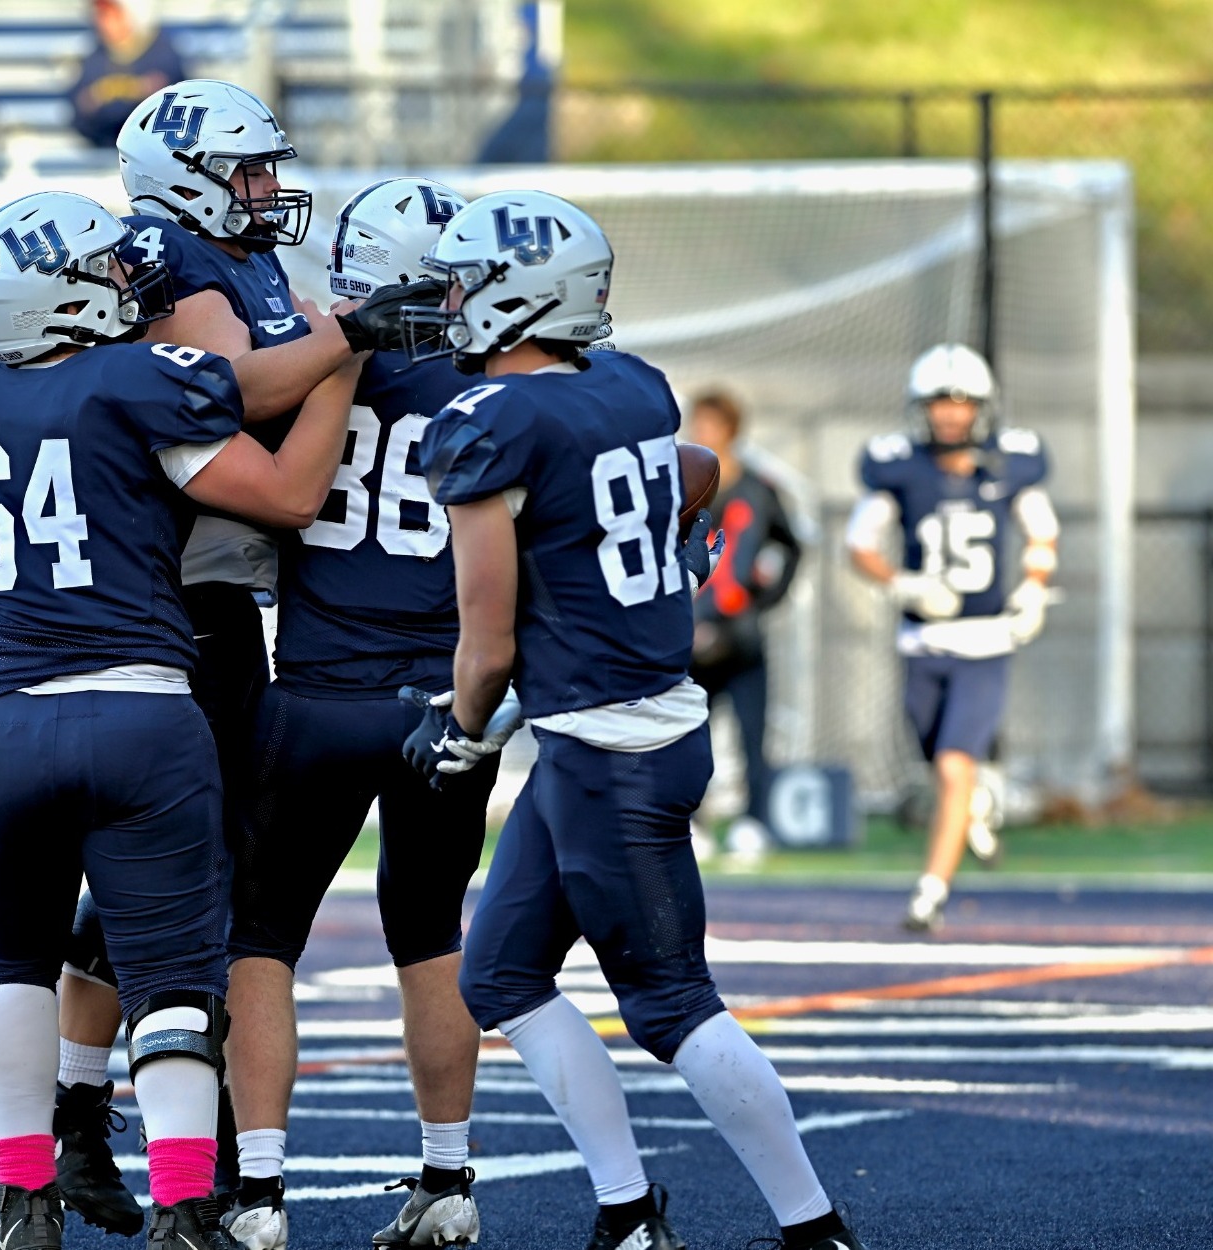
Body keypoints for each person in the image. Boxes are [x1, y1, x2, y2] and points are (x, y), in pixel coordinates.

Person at [404, 188, 868, 1250]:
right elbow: (695, 471)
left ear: (516, 299)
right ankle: (626, 1210)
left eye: (467, 283)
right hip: (603, 735)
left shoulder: (487, 422)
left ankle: (815, 1226)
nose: (453, 301)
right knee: (501, 974)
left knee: (670, 1002)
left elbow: (487, 642)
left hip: (614, 745)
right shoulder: (625, 384)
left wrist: (466, 730)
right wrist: (680, 534)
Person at [0, 190, 364, 1250]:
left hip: (2, 720)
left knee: (8, 965)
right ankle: (181, 1207)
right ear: (68, 292)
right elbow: (287, 488)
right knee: (172, 976)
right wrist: (340, 352)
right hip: (140, 708)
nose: (135, 287)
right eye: (114, 275)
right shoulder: (141, 382)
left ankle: (24, 1200)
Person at [46, 79, 436, 1242]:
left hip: (212, 591)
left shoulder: (237, 259)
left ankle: (94, 1118)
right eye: (250, 170)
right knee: (175, 877)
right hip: (170, 591)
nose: (270, 188)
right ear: (188, 176)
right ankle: (127, 1131)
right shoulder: (164, 258)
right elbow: (247, 387)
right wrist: (353, 340)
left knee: (175, 874)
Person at [220, 176, 526, 1250]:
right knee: (430, 935)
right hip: (447, 698)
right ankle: (447, 1177)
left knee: (258, 937)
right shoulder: (499, 386)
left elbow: (218, 428)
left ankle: (256, 1192)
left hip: (313, 693)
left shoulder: (312, 357)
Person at [845, 344, 1057, 933]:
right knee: (935, 759)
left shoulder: (1012, 465)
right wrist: (905, 585)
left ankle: (930, 891)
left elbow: (1042, 533)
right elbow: (860, 545)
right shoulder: (898, 468)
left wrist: (1036, 585)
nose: (950, 414)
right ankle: (977, 805)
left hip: (985, 641)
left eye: (962, 402)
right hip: (923, 642)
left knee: (954, 765)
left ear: (982, 408)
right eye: (940, 402)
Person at [685, 389, 803, 847]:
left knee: (754, 733)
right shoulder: (682, 487)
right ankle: (694, 819)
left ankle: (754, 822)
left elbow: (791, 546)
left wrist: (767, 597)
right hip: (692, 631)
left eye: (712, 425)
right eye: (699, 423)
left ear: (732, 431)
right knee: (690, 731)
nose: (703, 433)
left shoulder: (758, 487)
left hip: (742, 632)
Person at [68, 0, 188, 149]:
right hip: (105, 150)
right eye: (101, 15)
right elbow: (79, 114)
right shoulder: (93, 59)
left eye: (113, 16)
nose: (104, 23)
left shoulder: (164, 55)